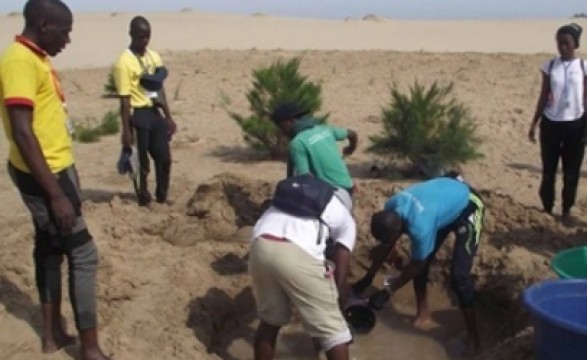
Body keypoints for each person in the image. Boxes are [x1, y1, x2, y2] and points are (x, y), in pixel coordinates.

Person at [0, 1, 110, 359]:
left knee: (49, 249)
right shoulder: (19, 61)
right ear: (44, 24)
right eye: (64, 31)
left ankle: (51, 336)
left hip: (53, 167)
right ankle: (90, 349)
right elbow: (22, 132)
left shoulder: (36, 58)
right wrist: (56, 195)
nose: (68, 39)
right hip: (45, 174)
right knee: (83, 252)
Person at [352, 173, 485, 355]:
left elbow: (417, 266)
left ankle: (473, 338)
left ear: (400, 229)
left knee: (459, 277)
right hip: (440, 204)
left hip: (467, 206)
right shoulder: (392, 206)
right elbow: (385, 246)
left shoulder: (420, 228)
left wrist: (388, 291)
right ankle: (423, 315)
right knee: (423, 258)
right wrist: (368, 277)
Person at [249, 176, 357, 360]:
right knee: (335, 333)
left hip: (260, 247)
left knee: (270, 321)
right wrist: (335, 307)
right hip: (295, 253)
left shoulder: (290, 200)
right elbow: (341, 273)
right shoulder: (345, 219)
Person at [113, 15, 177, 207]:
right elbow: (124, 100)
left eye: (148, 36)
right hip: (138, 114)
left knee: (164, 158)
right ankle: (143, 197)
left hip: (154, 112)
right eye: (141, 36)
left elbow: (159, 88)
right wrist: (126, 130)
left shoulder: (153, 56)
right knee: (141, 163)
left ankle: (162, 196)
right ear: (131, 34)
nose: (145, 40)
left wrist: (168, 117)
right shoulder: (123, 62)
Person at [528, 23, 587, 226]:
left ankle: (566, 209)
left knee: (571, 172)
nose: (562, 47)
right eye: (559, 43)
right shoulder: (549, 66)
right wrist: (534, 122)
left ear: (575, 44)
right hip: (551, 125)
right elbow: (544, 94)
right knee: (548, 171)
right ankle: (546, 208)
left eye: (566, 43)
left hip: (576, 126)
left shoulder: (583, 67)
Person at [271, 101, 358, 210]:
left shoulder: (298, 143)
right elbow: (352, 134)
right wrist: (351, 148)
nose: (281, 131)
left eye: (281, 126)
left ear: (290, 121)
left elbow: (304, 178)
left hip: (331, 194)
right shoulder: (325, 129)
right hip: (348, 186)